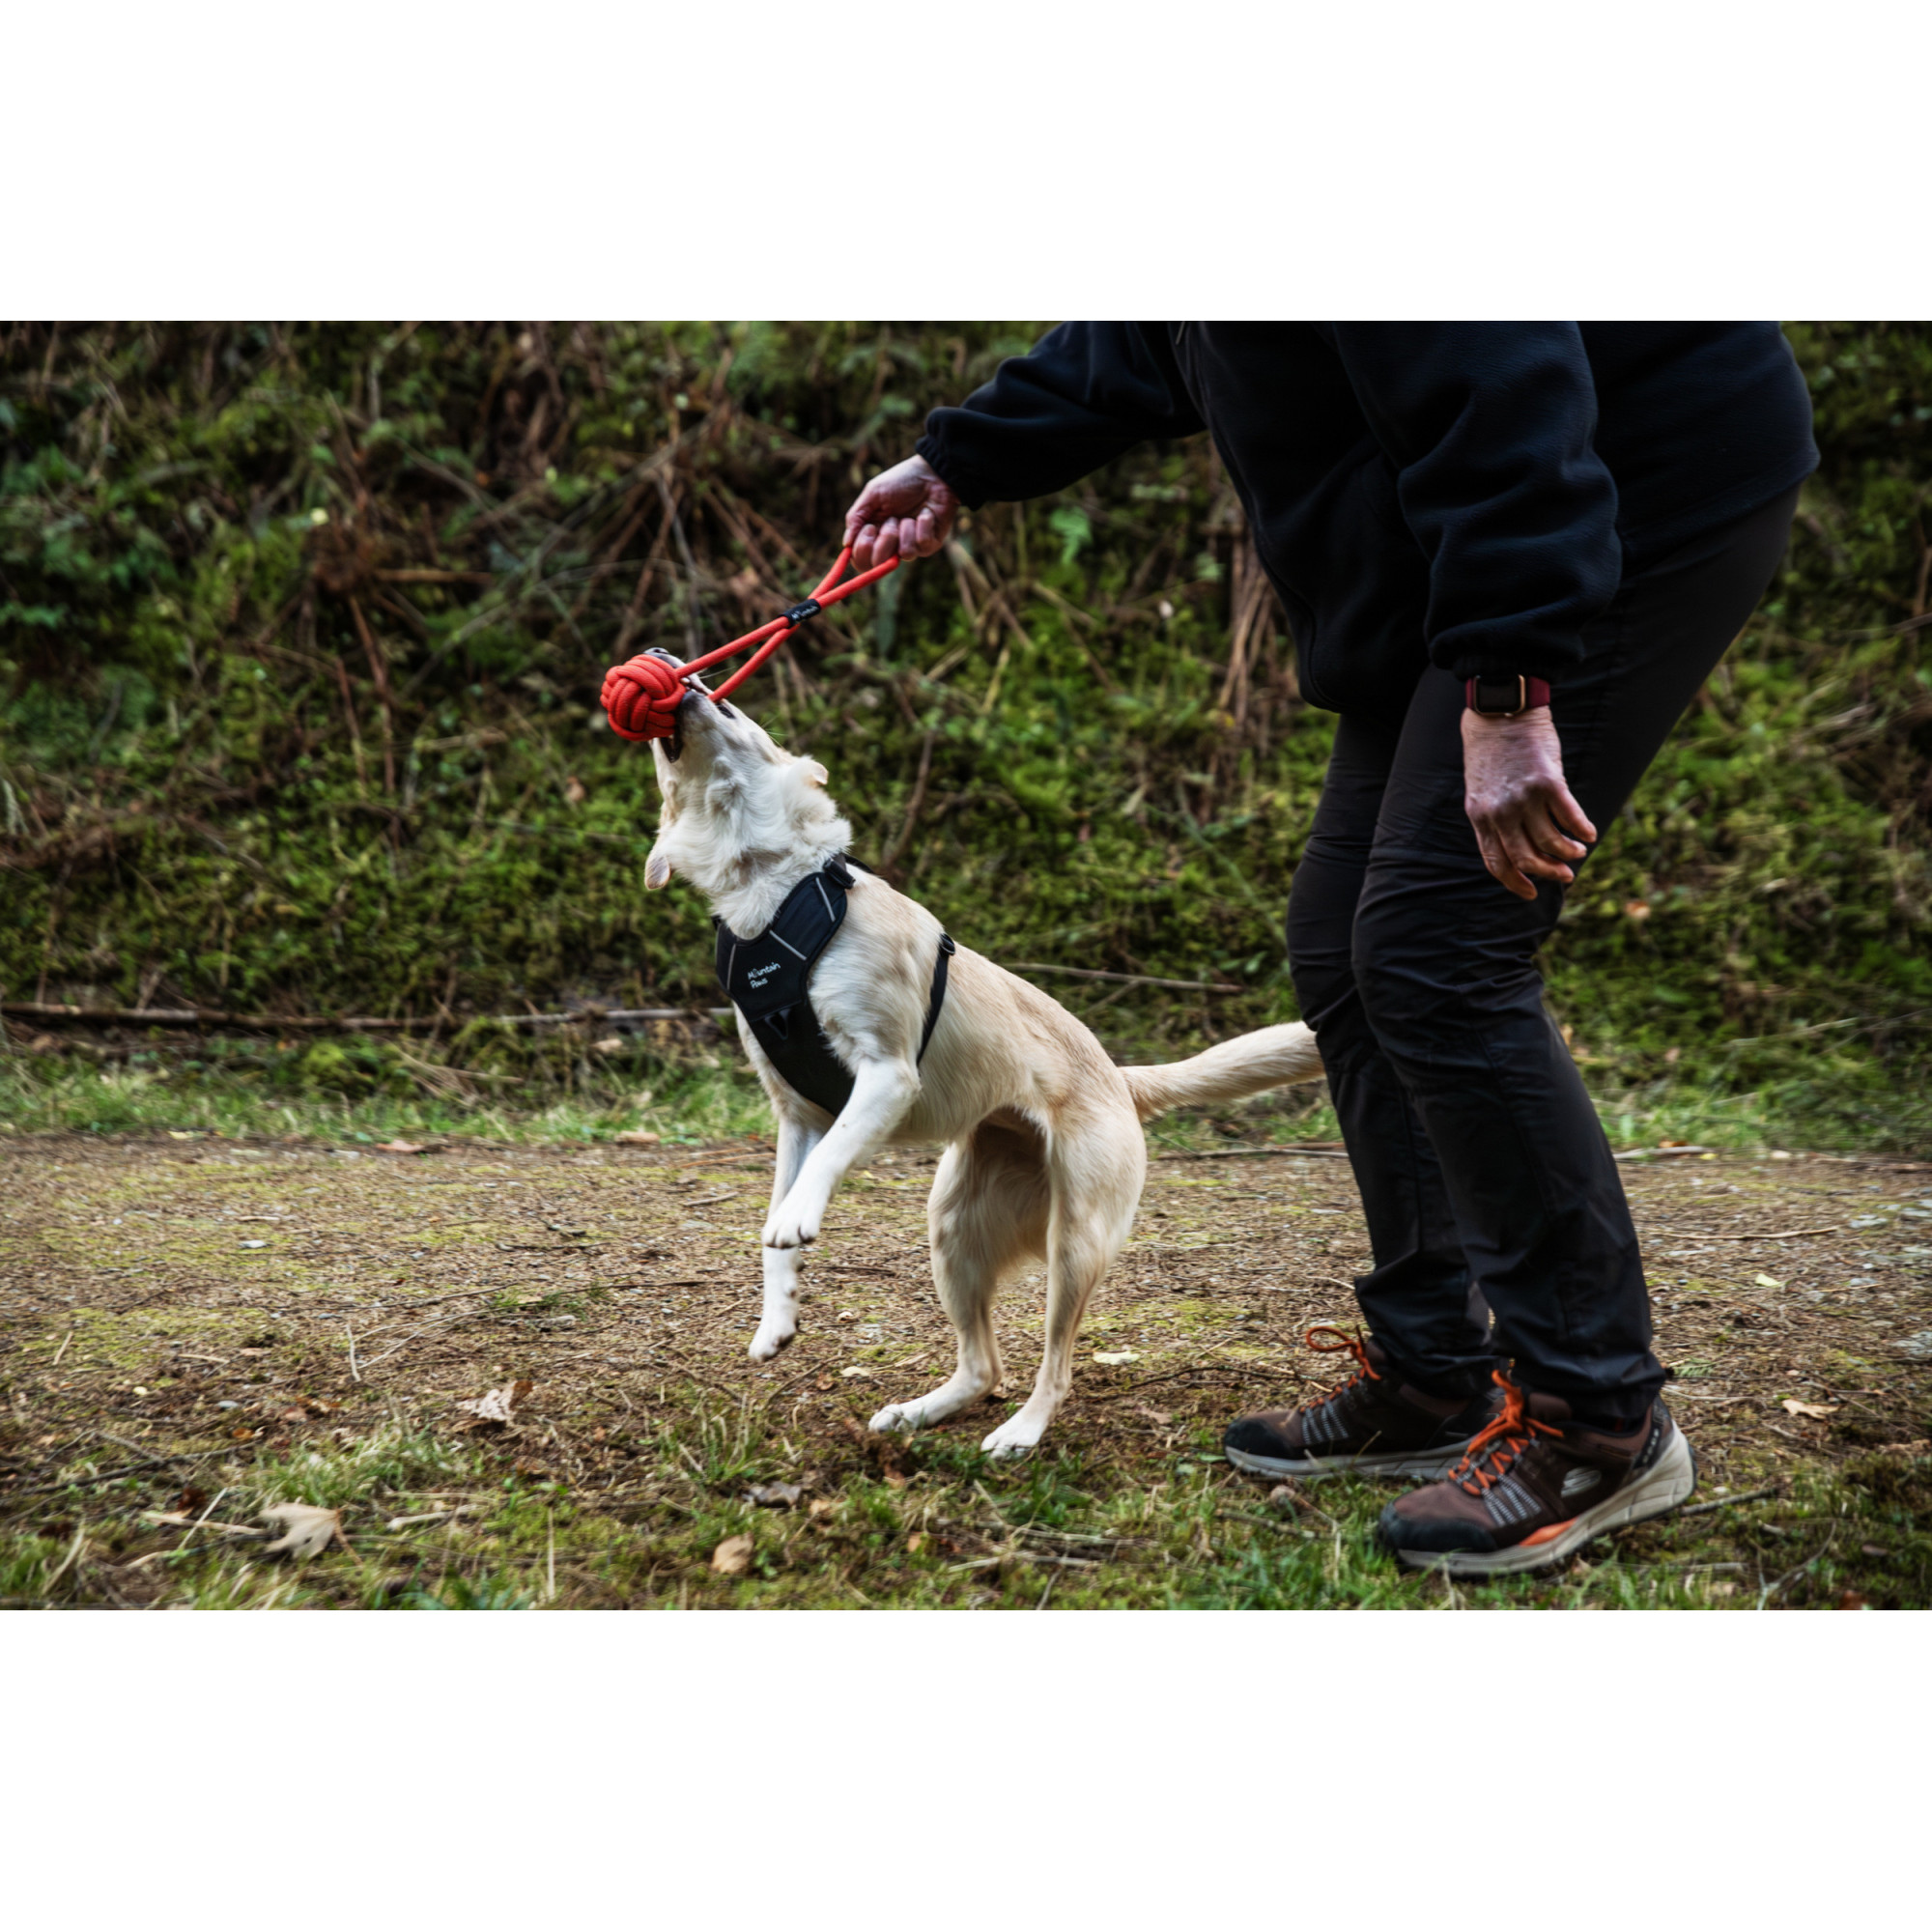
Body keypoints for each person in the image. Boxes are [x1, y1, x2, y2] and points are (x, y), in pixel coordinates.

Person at [841, 324, 1817, 1576]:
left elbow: (1495, 369)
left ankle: (1597, 1420)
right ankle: (1437, 1370)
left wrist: (1509, 684)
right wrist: (964, 458)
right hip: (1460, 533)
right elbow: (1164, 331)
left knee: (1433, 943)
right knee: (1345, 939)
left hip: (1620, 489)